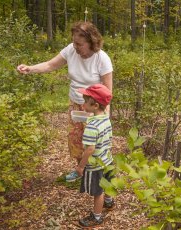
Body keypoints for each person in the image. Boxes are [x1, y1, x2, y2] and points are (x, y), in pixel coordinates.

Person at [16, 21, 113, 182]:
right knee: (75, 140)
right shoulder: (70, 50)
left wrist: (104, 117)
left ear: (91, 42)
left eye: (79, 44)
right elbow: (49, 65)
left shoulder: (102, 59)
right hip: (75, 103)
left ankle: (100, 176)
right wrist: (30, 68)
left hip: (94, 107)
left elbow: (108, 92)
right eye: (74, 42)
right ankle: (80, 171)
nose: (75, 46)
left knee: (95, 143)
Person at [76, 83, 115, 228]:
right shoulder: (106, 118)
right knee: (108, 184)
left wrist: (81, 166)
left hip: (96, 165)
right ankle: (109, 203)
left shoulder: (92, 127)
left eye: (86, 101)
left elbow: (90, 149)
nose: (83, 104)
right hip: (107, 160)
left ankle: (97, 217)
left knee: (98, 192)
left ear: (96, 106)